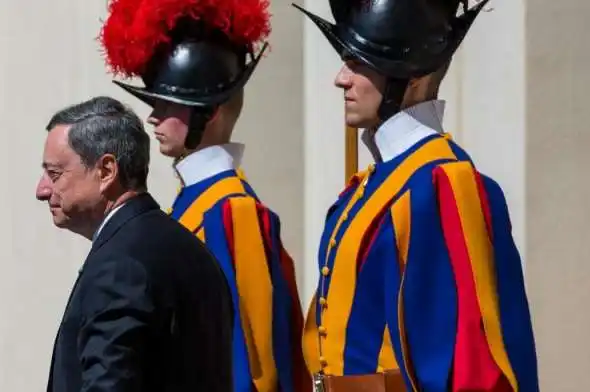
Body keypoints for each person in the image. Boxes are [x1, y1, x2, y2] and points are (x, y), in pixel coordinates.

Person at [292, 1, 539, 391]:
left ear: (411, 77)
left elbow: (465, 363)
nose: (341, 79)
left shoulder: (442, 183)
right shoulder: (371, 184)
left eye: (360, 64)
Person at [98, 1, 311, 392]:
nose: (153, 117)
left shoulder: (231, 212)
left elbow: (250, 364)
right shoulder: (192, 205)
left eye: (166, 102)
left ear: (207, 112)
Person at [35, 96, 233, 392]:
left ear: (106, 171)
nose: (42, 190)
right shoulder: (187, 248)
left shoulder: (120, 266)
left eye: (55, 174)